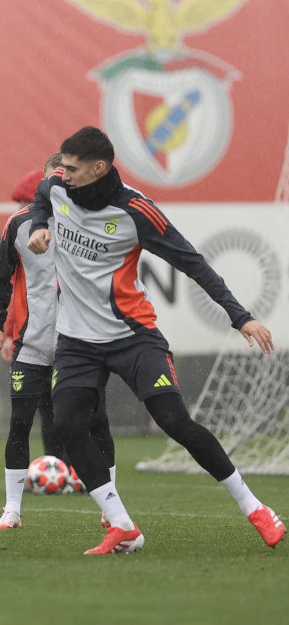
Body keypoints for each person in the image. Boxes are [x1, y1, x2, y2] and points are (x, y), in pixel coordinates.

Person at [27, 125, 284, 554]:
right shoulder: (56, 186)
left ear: (99, 167)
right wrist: (39, 226)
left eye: (71, 168)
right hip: (76, 340)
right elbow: (42, 194)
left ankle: (255, 507)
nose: (61, 173)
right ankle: (122, 525)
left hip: (132, 337)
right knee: (68, 423)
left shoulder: (137, 211)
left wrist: (241, 317)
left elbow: (193, 263)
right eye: (60, 167)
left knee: (175, 423)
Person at [0, 153, 115, 530]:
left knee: (98, 421)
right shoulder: (20, 224)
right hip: (33, 342)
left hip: (84, 342)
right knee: (20, 422)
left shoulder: (94, 219)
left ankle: (112, 511)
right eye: (51, 180)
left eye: (64, 178)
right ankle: (12, 510)